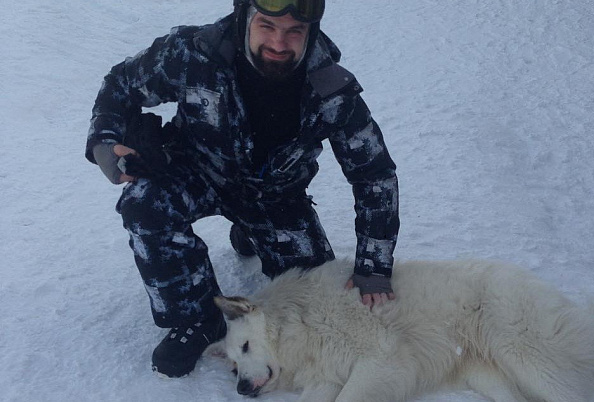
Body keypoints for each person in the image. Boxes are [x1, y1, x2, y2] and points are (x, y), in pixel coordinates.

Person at [85, 0, 399, 378]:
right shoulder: (191, 54)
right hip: (196, 171)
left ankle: (251, 230)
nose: (279, 43)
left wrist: (374, 267)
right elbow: (121, 83)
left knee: (317, 301)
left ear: (310, 32)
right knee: (145, 204)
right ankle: (199, 318)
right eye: (267, 25)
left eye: (294, 32)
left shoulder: (331, 89)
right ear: (244, 17)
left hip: (275, 197)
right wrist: (104, 141)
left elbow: (374, 174)